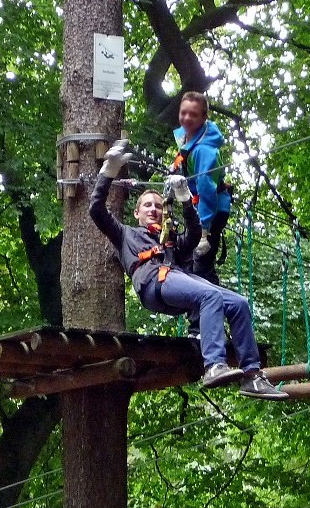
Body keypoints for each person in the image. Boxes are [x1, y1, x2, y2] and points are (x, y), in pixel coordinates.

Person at [89, 140, 286, 401]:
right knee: (210, 296)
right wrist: (108, 171)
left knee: (238, 303)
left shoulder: (170, 239)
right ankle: (214, 365)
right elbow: (96, 210)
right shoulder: (125, 234)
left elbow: (194, 236)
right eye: (147, 205)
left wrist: (185, 200)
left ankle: (253, 375)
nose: (154, 210)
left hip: (178, 280)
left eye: (158, 206)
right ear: (137, 213)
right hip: (154, 283)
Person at [169, 91, 232, 285]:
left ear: (204, 117)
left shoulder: (205, 150)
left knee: (200, 267)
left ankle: (213, 307)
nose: (186, 118)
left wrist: (203, 230)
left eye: (193, 114)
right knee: (190, 263)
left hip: (210, 211)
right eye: (183, 113)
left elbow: (206, 189)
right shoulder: (189, 138)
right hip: (199, 210)